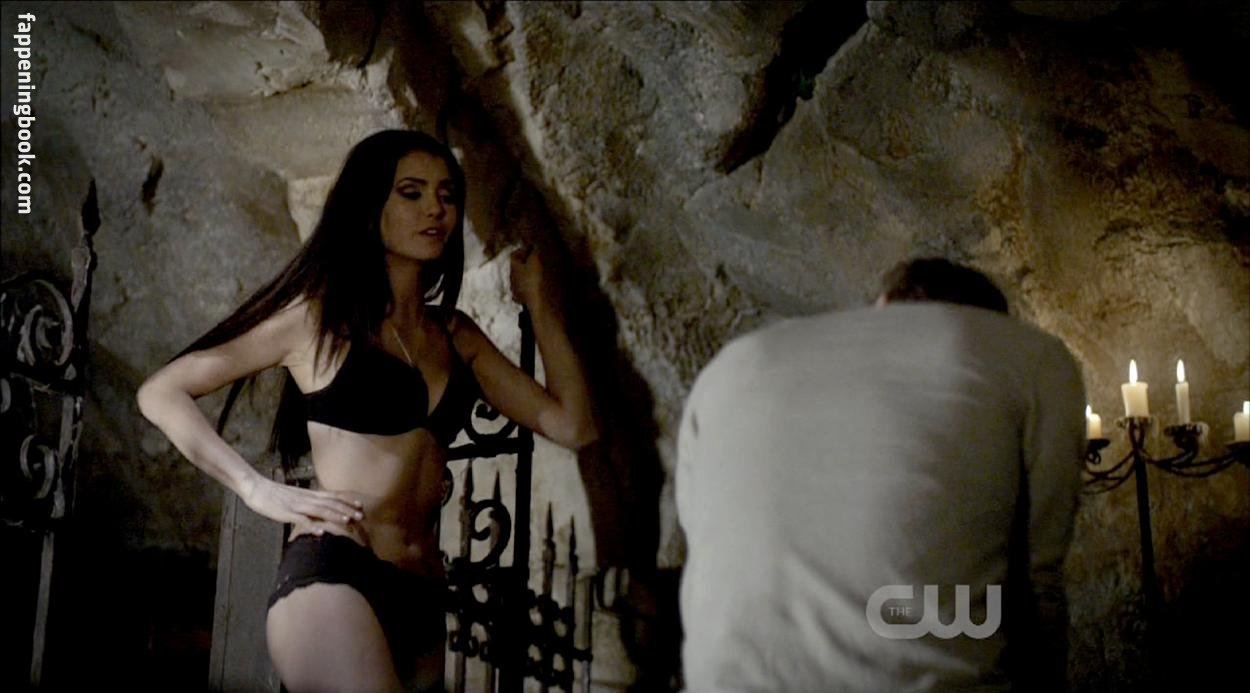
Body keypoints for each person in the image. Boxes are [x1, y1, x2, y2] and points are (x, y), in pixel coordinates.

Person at [136, 130, 599, 692]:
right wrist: (255, 489)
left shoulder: (455, 336)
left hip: (422, 596)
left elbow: (574, 426)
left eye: (447, 195)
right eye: (412, 192)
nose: (436, 209)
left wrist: (543, 308)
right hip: (335, 575)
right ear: (369, 203)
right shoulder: (319, 322)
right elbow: (161, 392)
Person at [676, 258, 1085, 691]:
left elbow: (698, 536)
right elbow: (1038, 580)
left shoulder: (735, 361)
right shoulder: (1029, 354)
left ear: (883, 304)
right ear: (990, 319)